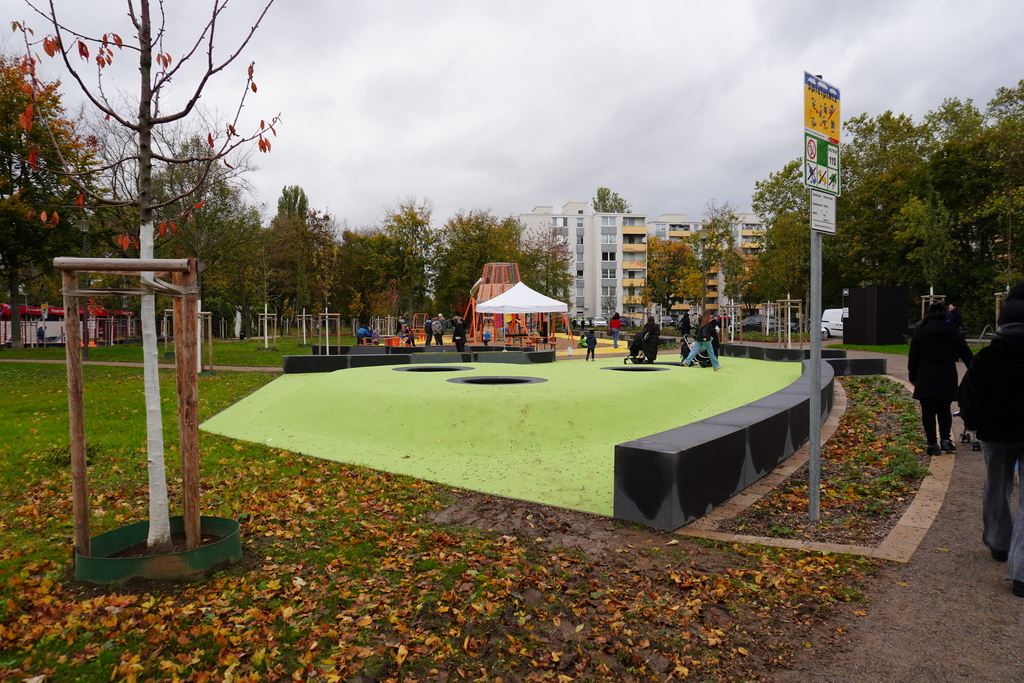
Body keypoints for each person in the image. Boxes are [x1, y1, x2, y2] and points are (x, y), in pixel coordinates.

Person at [956, 295, 1024, 596]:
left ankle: (999, 541)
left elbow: (967, 395)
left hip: (996, 432)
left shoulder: (986, 358)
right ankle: (1021, 573)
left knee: (996, 486)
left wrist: (975, 423)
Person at [909, 302, 973, 455]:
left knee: (928, 410)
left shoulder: (921, 331)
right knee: (944, 408)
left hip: (926, 374)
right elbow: (965, 352)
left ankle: (932, 444)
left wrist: (913, 376)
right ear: (945, 314)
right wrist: (974, 369)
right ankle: (946, 440)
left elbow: (913, 357)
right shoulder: (952, 331)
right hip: (947, 374)